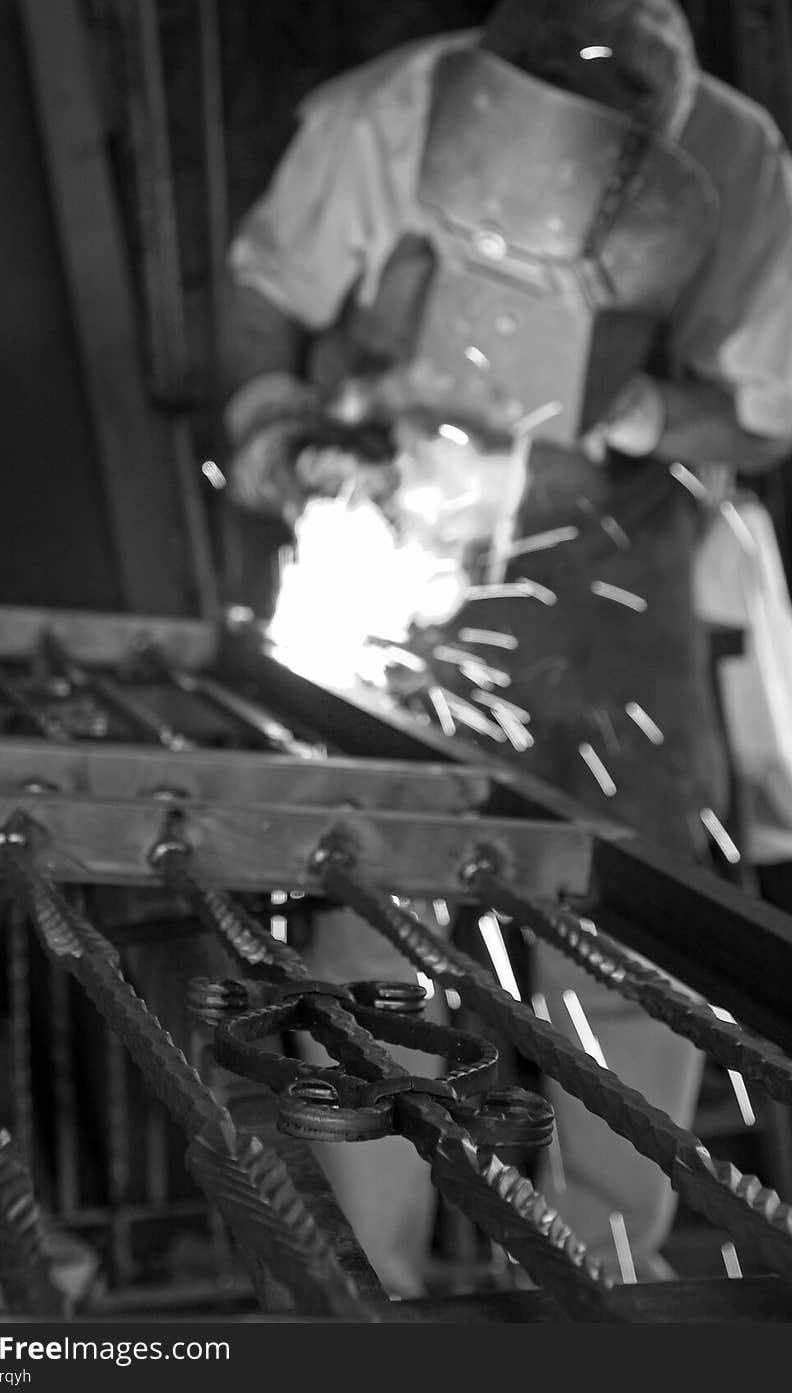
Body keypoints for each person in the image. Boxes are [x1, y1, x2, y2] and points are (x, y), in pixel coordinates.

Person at [219, 0, 792, 1293]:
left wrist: (654, 413)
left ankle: (600, 1282)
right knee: (373, 912)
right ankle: (380, 1294)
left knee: (630, 945)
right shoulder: (385, 115)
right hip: (389, 542)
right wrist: (267, 418)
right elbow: (268, 289)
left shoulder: (747, 166)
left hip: (610, 585)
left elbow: (763, 418)